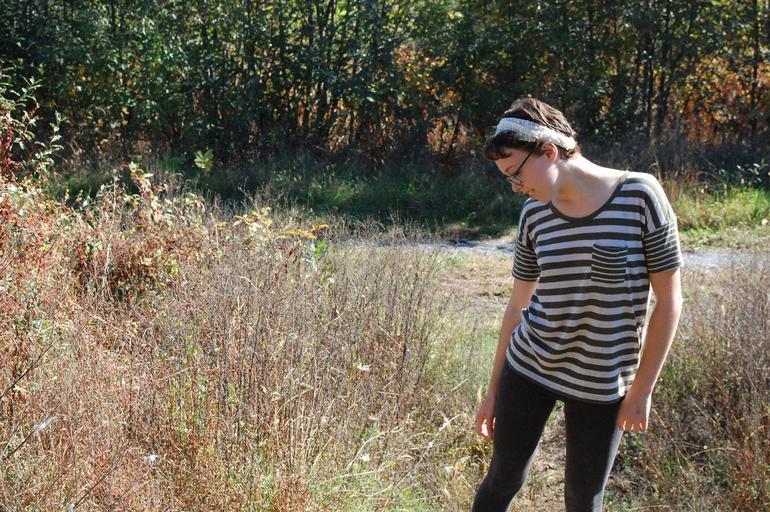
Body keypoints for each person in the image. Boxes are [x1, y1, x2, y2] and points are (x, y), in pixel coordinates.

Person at [471, 98, 684, 512]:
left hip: (602, 382)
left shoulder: (640, 195)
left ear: (549, 152)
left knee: (583, 498)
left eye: (516, 174)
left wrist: (642, 389)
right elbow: (517, 306)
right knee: (502, 478)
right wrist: (493, 392)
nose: (516, 187)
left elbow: (670, 300)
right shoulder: (533, 214)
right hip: (529, 367)